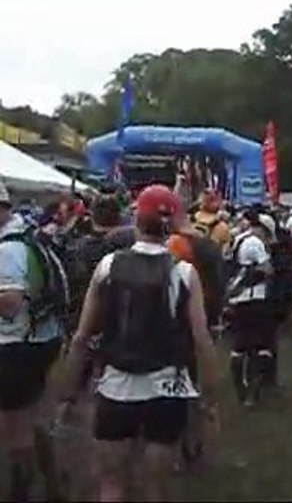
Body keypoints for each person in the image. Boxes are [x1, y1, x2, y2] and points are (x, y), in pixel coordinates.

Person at [58, 184, 220, 503]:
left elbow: (82, 337)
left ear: (136, 219)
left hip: (116, 386)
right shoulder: (184, 273)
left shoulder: (108, 265)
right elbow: (202, 340)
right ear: (172, 224)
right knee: (154, 489)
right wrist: (209, 399)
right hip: (166, 389)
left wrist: (68, 391)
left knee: (111, 484)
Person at [0, 182, 65, 503]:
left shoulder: (7, 250)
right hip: (39, 338)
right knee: (32, 417)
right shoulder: (26, 236)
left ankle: (20, 490)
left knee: (14, 427)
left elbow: (9, 303)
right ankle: (53, 484)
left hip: (16, 344)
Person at [225, 212, 278, 406]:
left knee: (239, 345)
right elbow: (268, 269)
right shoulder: (255, 243)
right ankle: (252, 394)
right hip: (255, 298)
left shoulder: (239, 239)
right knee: (260, 346)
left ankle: (240, 388)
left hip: (237, 298)